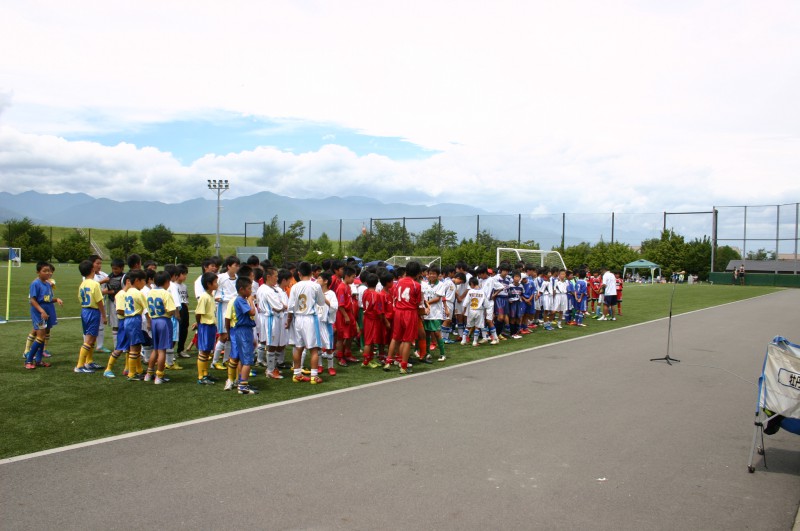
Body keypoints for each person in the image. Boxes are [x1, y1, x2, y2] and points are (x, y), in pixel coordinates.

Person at [286, 261, 327, 384]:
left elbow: (290, 306)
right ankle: (314, 376)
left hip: (298, 319)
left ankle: (297, 373)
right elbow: (321, 302)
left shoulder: (295, 286)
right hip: (310, 318)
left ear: (298, 273)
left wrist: (289, 320)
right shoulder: (315, 286)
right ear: (311, 272)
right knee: (314, 348)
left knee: (298, 347)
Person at [384, 260, 423, 374]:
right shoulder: (417, 285)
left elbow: (395, 296)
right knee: (407, 340)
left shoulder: (398, 283)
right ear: (417, 273)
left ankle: (388, 362)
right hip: (409, 312)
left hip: (398, 311)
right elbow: (417, 303)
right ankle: (403, 366)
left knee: (395, 338)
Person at [24, 262, 62, 369]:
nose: (48, 273)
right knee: (40, 336)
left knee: (43, 337)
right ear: (38, 272)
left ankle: (39, 361)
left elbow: (47, 299)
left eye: (49, 271)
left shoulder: (47, 284)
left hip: (47, 312)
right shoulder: (35, 283)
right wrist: (41, 311)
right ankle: (28, 360)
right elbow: (33, 300)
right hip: (39, 313)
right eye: (45, 271)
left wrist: (56, 299)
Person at [144, 271, 176, 385]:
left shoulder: (150, 292)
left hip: (154, 321)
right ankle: (159, 375)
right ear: (167, 282)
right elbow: (171, 310)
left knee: (156, 349)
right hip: (164, 321)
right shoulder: (166, 293)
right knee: (162, 350)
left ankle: (149, 373)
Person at [76, 259, 106, 373]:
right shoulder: (95, 284)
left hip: (84, 310)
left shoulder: (82, 284)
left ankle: (89, 362)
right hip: (93, 311)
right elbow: (99, 301)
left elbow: (79, 298)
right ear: (92, 269)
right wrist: (104, 315)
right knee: (89, 339)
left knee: (91, 338)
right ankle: (79, 366)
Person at [230, 277, 258, 395]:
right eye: (249, 289)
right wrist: (251, 301)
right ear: (241, 289)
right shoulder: (240, 300)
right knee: (247, 359)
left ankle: (242, 381)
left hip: (244, 330)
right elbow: (252, 312)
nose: (251, 291)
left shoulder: (241, 299)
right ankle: (243, 386)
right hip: (243, 331)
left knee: (243, 358)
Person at [212, 255, 240, 370]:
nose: (237, 268)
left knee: (230, 336)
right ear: (228, 266)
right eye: (235, 265)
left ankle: (226, 360)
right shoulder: (221, 277)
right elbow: (214, 292)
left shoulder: (237, 278)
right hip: (223, 309)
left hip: (233, 310)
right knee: (223, 336)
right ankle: (214, 361)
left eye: (238, 265)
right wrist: (220, 298)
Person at [123, 269, 149, 380]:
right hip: (134, 320)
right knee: (135, 347)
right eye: (144, 280)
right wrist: (149, 322)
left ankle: (136, 371)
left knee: (135, 345)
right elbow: (146, 310)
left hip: (127, 320)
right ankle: (131, 373)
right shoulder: (139, 294)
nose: (145, 283)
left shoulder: (128, 292)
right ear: (137, 280)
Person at [193, 272, 218, 385]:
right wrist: (199, 324)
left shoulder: (210, 296)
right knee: (203, 351)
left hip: (211, 326)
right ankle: (201, 376)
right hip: (205, 326)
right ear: (209, 284)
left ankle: (205, 373)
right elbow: (198, 313)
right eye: (215, 282)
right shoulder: (204, 297)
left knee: (207, 351)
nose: (217, 284)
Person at [103, 278, 130, 378]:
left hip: (127, 322)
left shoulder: (126, 293)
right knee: (120, 348)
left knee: (129, 348)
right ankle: (108, 369)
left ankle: (127, 368)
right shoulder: (121, 294)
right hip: (124, 323)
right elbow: (119, 311)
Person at [361, 273, 390, 367]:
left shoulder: (365, 292)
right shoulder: (377, 295)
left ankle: (370, 359)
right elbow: (380, 311)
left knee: (371, 340)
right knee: (369, 341)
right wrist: (385, 321)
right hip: (373, 319)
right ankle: (366, 362)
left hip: (366, 317)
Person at [316, 271, 339, 376]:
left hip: (326, 323)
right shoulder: (315, 292)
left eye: (319, 278)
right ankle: (320, 365)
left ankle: (330, 366)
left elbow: (334, 307)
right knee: (318, 346)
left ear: (325, 281)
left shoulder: (331, 294)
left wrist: (324, 299)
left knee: (329, 346)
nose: (317, 280)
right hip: (317, 322)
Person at [462, 276, 489, 346]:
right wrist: (486, 312)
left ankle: (463, 340)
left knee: (468, 326)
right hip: (479, 311)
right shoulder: (482, 292)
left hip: (471, 310)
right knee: (477, 326)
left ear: (472, 284)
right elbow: (486, 304)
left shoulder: (470, 292)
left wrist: (464, 311)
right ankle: (474, 342)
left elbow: (465, 302)